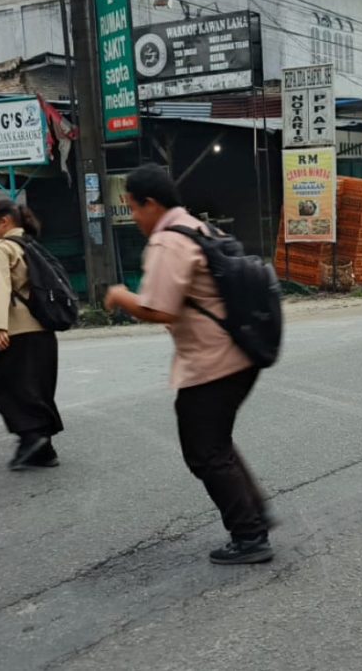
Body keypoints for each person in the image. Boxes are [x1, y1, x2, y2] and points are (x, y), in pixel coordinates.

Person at [104, 164, 274, 565]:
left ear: (151, 203)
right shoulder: (200, 229)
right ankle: (254, 515)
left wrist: (118, 296)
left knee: (205, 451)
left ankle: (249, 536)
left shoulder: (168, 240)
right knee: (216, 443)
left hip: (212, 363)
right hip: (239, 354)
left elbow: (158, 309)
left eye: (133, 207)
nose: (134, 217)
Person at [0, 199, 63, 470]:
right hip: (44, 330)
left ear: (4, 222)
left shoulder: (1, 248)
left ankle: (31, 437)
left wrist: (0, 327)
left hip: (19, 331)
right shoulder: (30, 245)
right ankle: (45, 449)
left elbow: (2, 289)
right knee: (37, 388)